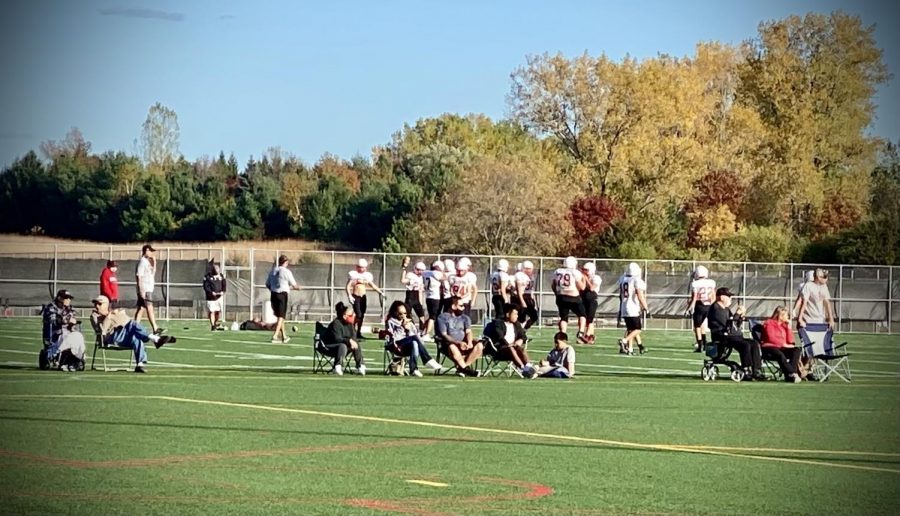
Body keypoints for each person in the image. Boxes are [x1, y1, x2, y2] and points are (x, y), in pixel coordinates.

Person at [90, 295, 174, 373]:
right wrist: (108, 317)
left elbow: (126, 321)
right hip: (109, 338)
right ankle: (155, 339)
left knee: (136, 337)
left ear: (106, 305)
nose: (97, 306)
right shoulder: (94, 316)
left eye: (99, 304)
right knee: (132, 324)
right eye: (96, 304)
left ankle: (139, 364)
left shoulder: (114, 313)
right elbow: (102, 330)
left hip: (122, 336)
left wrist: (118, 315)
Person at [707, 287, 764, 381]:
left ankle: (756, 370)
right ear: (721, 297)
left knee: (753, 343)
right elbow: (727, 325)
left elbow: (735, 325)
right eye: (728, 296)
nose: (731, 299)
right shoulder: (715, 309)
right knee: (745, 345)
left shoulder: (726, 309)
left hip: (733, 335)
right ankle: (746, 369)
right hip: (723, 336)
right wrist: (737, 314)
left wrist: (740, 317)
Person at [385, 301, 442, 377]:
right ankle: (427, 360)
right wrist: (402, 327)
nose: (403, 315)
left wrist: (409, 330)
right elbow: (391, 337)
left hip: (408, 346)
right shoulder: (391, 321)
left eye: (405, 313)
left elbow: (417, 336)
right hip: (396, 345)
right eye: (400, 313)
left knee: (414, 342)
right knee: (413, 338)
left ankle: (414, 369)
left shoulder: (409, 322)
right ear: (395, 312)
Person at [796, 268, 835, 380]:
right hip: (809, 320)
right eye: (824, 277)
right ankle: (804, 370)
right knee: (809, 347)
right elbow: (804, 302)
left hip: (820, 320)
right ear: (818, 277)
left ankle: (807, 370)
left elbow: (827, 303)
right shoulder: (808, 286)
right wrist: (800, 317)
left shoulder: (824, 287)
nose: (826, 279)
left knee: (819, 347)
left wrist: (830, 318)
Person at [483, 303, 536, 377]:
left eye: (517, 314)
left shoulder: (516, 324)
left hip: (514, 348)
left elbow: (523, 336)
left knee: (522, 349)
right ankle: (523, 369)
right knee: (511, 348)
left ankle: (529, 367)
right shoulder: (498, 324)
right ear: (508, 314)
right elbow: (500, 337)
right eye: (515, 314)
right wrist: (508, 345)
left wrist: (520, 340)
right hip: (499, 350)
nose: (517, 316)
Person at [435, 296, 482, 377]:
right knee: (452, 346)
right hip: (449, 345)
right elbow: (444, 335)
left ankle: (463, 369)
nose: (463, 308)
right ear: (453, 306)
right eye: (461, 306)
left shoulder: (465, 318)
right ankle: (467, 370)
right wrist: (458, 343)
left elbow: (468, 332)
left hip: (465, 344)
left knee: (480, 345)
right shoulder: (443, 317)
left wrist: (470, 342)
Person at [41, 289, 84, 370]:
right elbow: (53, 321)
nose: (68, 300)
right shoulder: (51, 307)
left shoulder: (70, 309)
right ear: (60, 298)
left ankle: (77, 357)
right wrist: (67, 321)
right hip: (55, 335)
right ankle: (63, 357)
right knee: (71, 336)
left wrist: (72, 324)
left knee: (78, 335)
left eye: (69, 298)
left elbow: (73, 320)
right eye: (66, 298)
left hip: (68, 333)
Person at [760, 306, 802, 383]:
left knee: (796, 350)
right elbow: (771, 338)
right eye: (786, 315)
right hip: (769, 347)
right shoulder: (769, 323)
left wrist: (789, 328)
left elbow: (790, 341)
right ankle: (792, 373)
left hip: (781, 348)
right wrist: (783, 344)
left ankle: (790, 375)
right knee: (780, 355)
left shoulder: (784, 326)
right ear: (780, 315)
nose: (788, 317)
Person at [323, 301, 366, 376]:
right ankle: (337, 366)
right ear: (344, 316)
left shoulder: (350, 325)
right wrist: (348, 341)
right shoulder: (335, 324)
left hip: (345, 346)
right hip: (329, 346)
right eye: (351, 315)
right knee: (342, 345)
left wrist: (353, 341)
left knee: (356, 344)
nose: (353, 316)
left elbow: (353, 336)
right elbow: (337, 339)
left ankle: (360, 366)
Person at [266, 254, 301, 343]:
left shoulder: (273, 271)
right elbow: (294, 285)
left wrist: (274, 290)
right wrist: (298, 288)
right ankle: (275, 335)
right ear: (285, 262)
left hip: (273, 295)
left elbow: (267, 284)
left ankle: (284, 336)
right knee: (281, 316)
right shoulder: (286, 271)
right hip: (282, 295)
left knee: (279, 317)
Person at [346, 258, 384, 339]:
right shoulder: (354, 275)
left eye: (363, 267)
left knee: (362, 316)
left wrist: (381, 292)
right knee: (358, 314)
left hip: (363, 297)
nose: (362, 269)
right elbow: (348, 286)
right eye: (360, 267)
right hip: (355, 297)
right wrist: (349, 295)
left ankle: (358, 332)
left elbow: (372, 285)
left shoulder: (366, 276)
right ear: (357, 267)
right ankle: (352, 330)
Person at [552, 256, 587, 341]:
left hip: (561, 296)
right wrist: (584, 279)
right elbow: (582, 287)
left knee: (564, 317)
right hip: (573, 297)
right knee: (582, 315)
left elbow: (553, 285)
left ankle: (562, 334)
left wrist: (557, 294)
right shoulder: (575, 272)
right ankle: (581, 332)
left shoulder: (557, 271)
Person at [617, 262, 648, 355]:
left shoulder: (623, 279)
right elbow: (639, 294)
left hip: (624, 306)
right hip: (632, 307)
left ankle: (630, 349)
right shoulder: (635, 280)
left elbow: (620, 295)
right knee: (638, 329)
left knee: (630, 329)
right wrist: (645, 307)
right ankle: (624, 340)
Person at [686, 265, 716, 353]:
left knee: (697, 326)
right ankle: (705, 342)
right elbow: (713, 295)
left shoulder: (695, 284)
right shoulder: (711, 282)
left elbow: (694, 297)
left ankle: (700, 345)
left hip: (700, 305)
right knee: (702, 323)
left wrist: (689, 307)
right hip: (710, 305)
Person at [134, 244, 163, 335]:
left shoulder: (147, 262)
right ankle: (155, 328)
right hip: (145, 289)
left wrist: (154, 263)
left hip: (148, 288)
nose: (151, 253)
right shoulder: (142, 262)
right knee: (149, 308)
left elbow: (152, 274)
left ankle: (134, 327)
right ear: (146, 251)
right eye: (150, 251)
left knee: (141, 309)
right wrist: (141, 290)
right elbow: (139, 276)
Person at [400, 258, 427, 333]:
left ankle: (422, 331)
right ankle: (410, 330)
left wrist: (421, 301)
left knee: (421, 315)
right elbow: (403, 280)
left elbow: (420, 290)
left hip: (417, 297)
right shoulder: (410, 275)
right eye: (418, 270)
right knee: (407, 315)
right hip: (410, 296)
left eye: (421, 270)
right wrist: (404, 269)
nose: (420, 272)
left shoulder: (421, 277)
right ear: (415, 268)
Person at [422, 260, 445, 341]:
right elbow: (444, 278)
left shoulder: (426, 273)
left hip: (428, 296)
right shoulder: (436, 273)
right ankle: (426, 334)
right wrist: (444, 272)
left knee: (431, 315)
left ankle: (422, 331)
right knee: (433, 317)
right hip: (435, 297)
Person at [514, 260, 538, 330]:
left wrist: (532, 299)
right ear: (525, 269)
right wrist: (522, 301)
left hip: (528, 299)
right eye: (529, 269)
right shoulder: (520, 275)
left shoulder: (530, 277)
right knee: (521, 318)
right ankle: (519, 334)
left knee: (534, 316)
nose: (531, 270)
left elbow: (531, 290)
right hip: (522, 298)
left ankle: (523, 330)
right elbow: (519, 291)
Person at [203, 263, 227, 331]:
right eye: (215, 269)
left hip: (219, 297)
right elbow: (205, 286)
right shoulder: (207, 276)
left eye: (217, 269)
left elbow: (224, 284)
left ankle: (215, 323)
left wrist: (223, 291)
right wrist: (211, 292)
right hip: (211, 298)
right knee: (212, 311)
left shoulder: (221, 276)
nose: (216, 270)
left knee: (217, 311)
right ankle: (213, 325)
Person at [581, 262, 601, 344]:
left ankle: (587, 336)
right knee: (586, 320)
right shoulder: (583, 277)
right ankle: (591, 336)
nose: (584, 271)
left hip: (592, 300)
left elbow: (592, 288)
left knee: (590, 319)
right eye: (583, 269)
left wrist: (586, 279)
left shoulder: (596, 278)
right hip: (584, 299)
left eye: (586, 270)